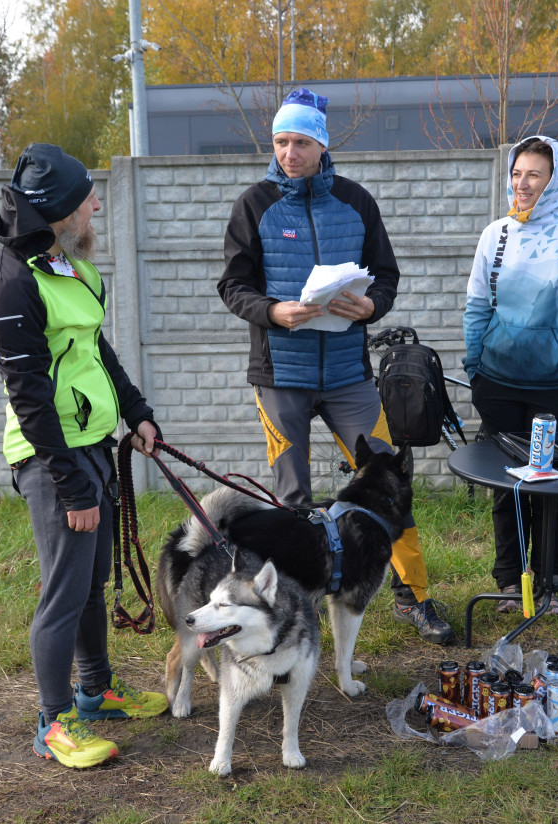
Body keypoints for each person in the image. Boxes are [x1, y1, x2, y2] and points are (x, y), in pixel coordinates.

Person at [218, 88, 454, 645]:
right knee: (293, 503)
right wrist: (272, 311)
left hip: (350, 377)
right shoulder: (253, 205)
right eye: (280, 141)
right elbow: (232, 286)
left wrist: (374, 305)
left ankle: (414, 598)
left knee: (388, 488)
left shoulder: (356, 202)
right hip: (282, 378)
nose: (289, 152)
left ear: (322, 144)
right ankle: (292, 614)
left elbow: (386, 275)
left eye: (300, 141)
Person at [0, 143, 168, 769]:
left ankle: (95, 690)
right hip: (50, 458)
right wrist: (71, 488)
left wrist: (137, 411)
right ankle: (52, 722)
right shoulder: (10, 282)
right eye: (89, 198)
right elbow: (29, 398)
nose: (97, 204)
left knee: (92, 583)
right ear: (61, 209)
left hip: (91, 449)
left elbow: (97, 351)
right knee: (63, 591)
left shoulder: (70, 267)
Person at [462, 135, 558, 616]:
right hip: (499, 385)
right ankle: (510, 583)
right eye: (517, 173)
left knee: (556, 489)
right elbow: (476, 306)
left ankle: (552, 586)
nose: (522, 184)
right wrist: (475, 367)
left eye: (534, 175)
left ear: (556, 180)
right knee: (509, 489)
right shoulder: (496, 234)